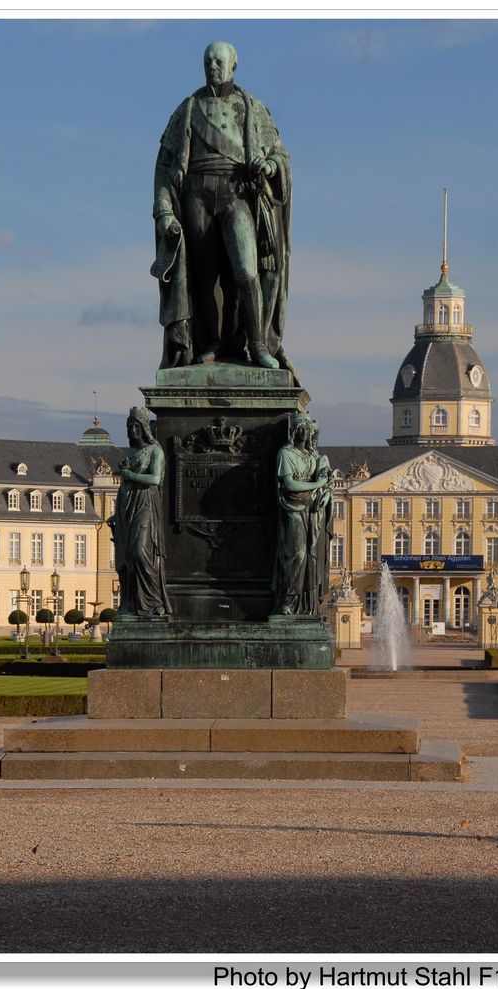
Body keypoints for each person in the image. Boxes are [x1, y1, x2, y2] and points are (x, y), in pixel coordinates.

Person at [151, 41, 294, 374]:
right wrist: (164, 211)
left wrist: (270, 167)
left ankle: (257, 344)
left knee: (247, 272)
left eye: (219, 61)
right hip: (196, 194)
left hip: (236, 193)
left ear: (233, 66)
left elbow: (280, 156)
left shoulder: (252, 107)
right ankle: (212, 342)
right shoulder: (187, 108)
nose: (212, 66)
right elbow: (163, 165)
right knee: (204, 275)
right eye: (207, 61)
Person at [107, 407, 171, 619]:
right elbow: (123, 483)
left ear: (144, 427)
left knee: (139, 551)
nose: (133, 430)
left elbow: (155, 479)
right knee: (126, 558)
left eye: (136, 426)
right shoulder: (128, 453)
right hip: (126, 504)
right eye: (129, 427)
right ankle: (130, 603)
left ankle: (154, 601)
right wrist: (116, 515)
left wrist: (129, 474)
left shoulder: (155, 451)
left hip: (145, 503)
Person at [273, 412, 332, 615]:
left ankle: (308, 603)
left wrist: (327, 493)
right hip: (293, 507)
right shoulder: (285, 454)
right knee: (296, 554)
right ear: (293, 431)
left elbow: (327, 482)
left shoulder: (314, 456)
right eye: (299, 428)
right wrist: (318, 484)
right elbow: (289, 484)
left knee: (312, 556)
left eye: (306, 428)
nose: (303, 432)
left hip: (314, 509)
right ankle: (288, 600)